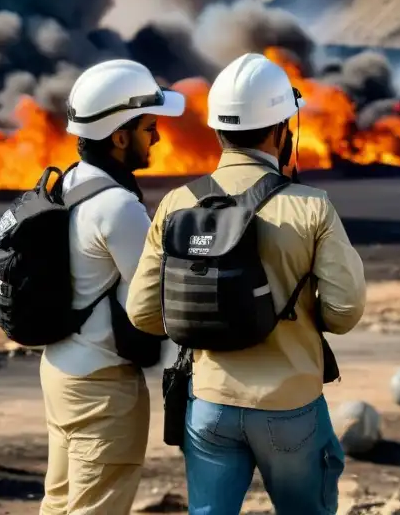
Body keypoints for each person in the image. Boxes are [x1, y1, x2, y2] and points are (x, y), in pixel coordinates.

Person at [126, 51, 367, 515]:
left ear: (217, 129)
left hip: (209, 405)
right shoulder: (312, 207)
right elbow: (344, 313)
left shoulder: (177, 203)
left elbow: (143, 315)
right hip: (290, 406)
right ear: (282, 130)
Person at [40, 58, 185, 515]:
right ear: (120, 136)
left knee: (59, 504)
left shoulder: (69, 184)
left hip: (61, 370)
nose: (158, 136)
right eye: (148, 127)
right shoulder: (119, 207)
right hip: (101, 388)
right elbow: (155, 301)